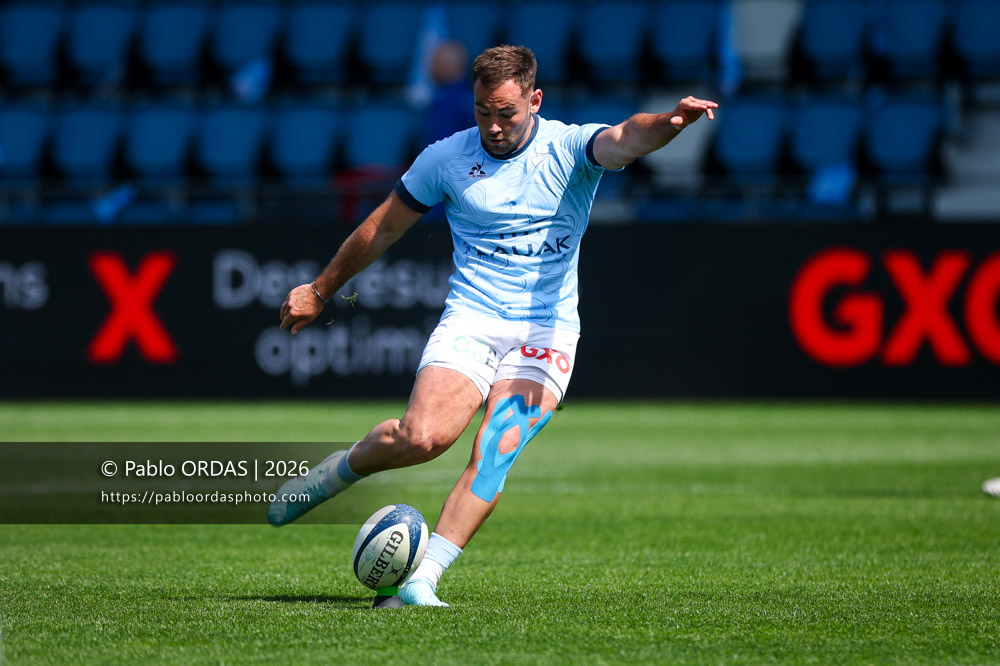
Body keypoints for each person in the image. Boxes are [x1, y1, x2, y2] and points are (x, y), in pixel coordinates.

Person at [269, 45, 718, 607]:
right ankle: (335, 474)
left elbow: (629, 136)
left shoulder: (569, 147)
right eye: (483, 111)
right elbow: (382, 228)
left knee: (495, 447)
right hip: (474, 319)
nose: (494, 125)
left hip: (547, 332)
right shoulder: (447, 159)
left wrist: (669, 124)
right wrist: (319, 290)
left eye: (506, 112)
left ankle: (421, 580)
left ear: (534, 99)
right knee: (422, 438)